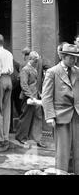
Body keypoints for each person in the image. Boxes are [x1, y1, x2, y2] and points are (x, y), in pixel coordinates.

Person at [42, 43, 79, 174]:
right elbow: (46, 96)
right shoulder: (52, 72)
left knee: (77, 149)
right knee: (63, 150)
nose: (75, 60)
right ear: (63, 56)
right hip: (60, 116)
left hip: (76, 115)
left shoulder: (77, 71)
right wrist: (50, 116)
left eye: (76, 57)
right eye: (71, 57)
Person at [15, 51, 46, 147]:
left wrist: (37, 95)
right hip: (28, 98)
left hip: (35, 96)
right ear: (31, 59)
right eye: (35, 60)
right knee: (26, 118)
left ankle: (37, 139)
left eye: (37, 61)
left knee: (38, 117)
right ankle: (21, 137)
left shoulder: (33, 69)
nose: (37, 62)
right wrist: (30, 96)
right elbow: (23, 84)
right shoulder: (25, 69)